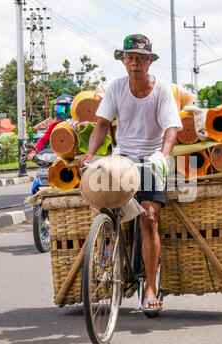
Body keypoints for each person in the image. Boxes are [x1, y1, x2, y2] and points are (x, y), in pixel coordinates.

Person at [81, 34, 183, 312]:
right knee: (106, 204)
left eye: (140, 57)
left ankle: (150, 287)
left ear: (150, 61)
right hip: (122, 157)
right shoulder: (115, 88)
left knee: (149, 217)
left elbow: (171, 127)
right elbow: (102, 124)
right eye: (130, 57)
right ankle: (104, 248)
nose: (135, 62)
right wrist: (91, 156)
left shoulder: (162, 89)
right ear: (123, 61)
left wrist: (163, 156)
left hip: (151, 159)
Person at [27, 94, 74, 160]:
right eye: (59, 109)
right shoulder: (54, 126)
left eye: (66, 109)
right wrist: (34, 151)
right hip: (59, 157)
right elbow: (44, 140)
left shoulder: (78, 125)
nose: (63, 113)